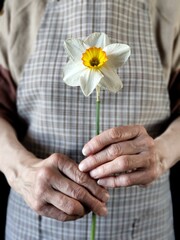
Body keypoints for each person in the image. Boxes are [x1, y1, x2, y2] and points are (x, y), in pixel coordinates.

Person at [0, 0, 179, 239]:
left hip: (145, 225)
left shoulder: (169, 6)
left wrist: (162, 153)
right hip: (35, 228)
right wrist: (21, 171)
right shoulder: (22, 6)